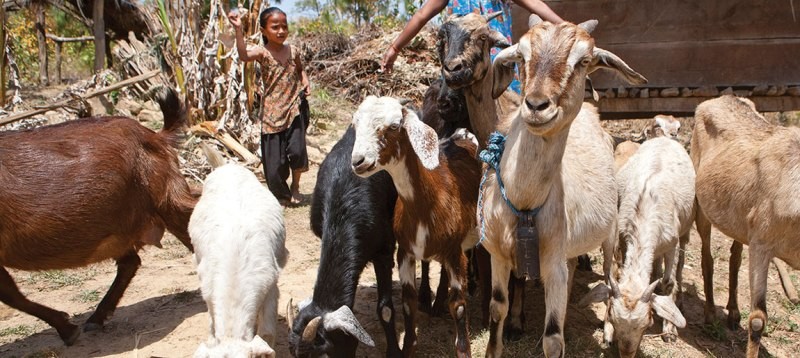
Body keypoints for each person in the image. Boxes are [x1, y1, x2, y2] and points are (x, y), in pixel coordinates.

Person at [381, 0, 563, 92]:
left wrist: (564, 26)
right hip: (458, 68)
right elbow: (421, 15)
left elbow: (535, 4)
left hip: (496, 69)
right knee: (455, 123)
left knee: (504, 124)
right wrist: (395, 48)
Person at [229, 7, 310, 206]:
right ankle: (281, 196)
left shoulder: (293, 51)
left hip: (294, 109)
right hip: (272, 115)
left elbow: (300, 70)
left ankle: (296, 187)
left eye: (284, 26)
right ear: (264, 31)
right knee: (274, 167)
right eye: (275, 27)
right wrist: (239, 30)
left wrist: (305, 81)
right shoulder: (262, 52)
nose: (281, 31)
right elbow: (243, 55)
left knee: (298, 152)